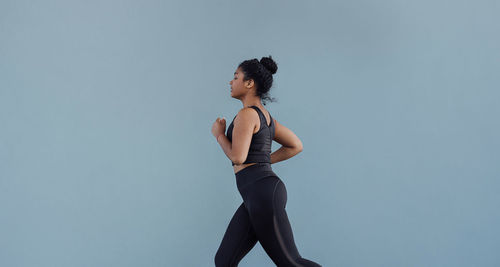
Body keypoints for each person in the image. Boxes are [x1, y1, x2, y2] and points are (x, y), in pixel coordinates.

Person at [211, 55, 322, 267]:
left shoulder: (247, 115)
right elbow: (296, 145)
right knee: (224, 261)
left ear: (249, 83)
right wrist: (263, 162)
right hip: (258, 193)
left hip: (262, 193)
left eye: (235, 77)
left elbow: (237, 157)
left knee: (291, 263)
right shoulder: (265, 117)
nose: (230, 82)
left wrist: (219, 135)